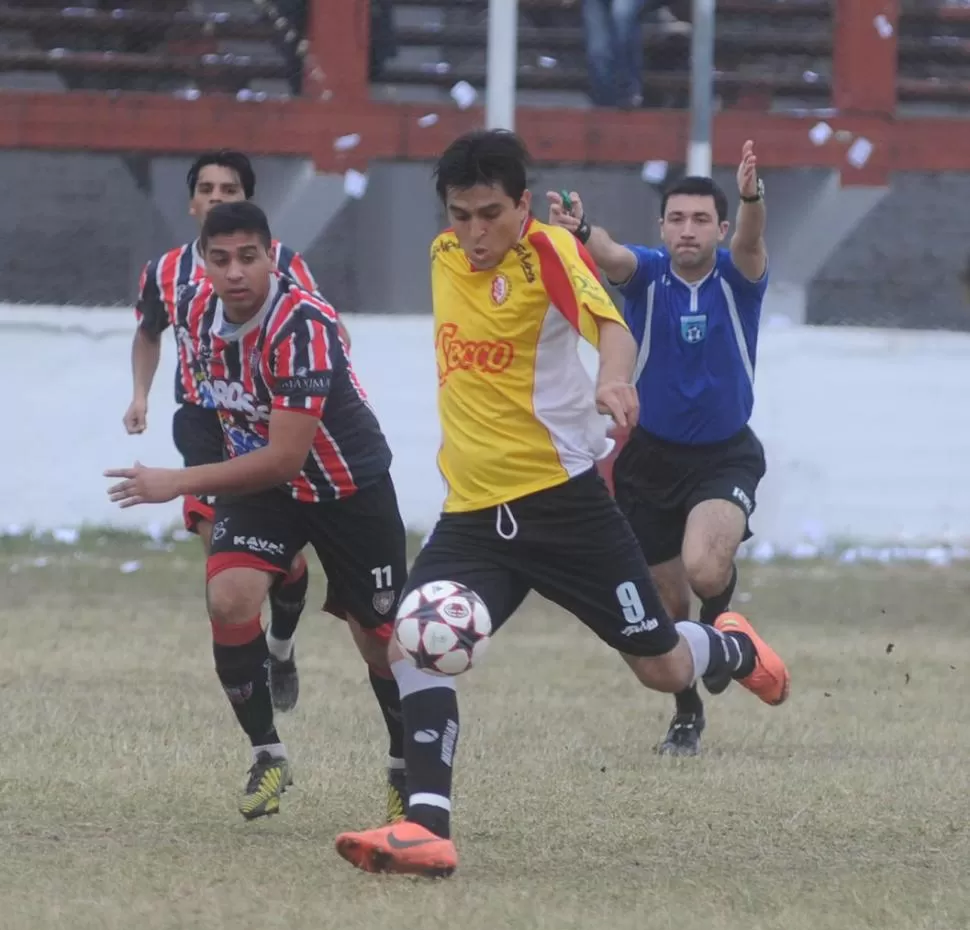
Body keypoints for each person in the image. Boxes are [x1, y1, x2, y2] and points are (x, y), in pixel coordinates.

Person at [333, 129, 790, 879]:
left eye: (491, 213)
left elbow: (608, 324)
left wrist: (616, 380)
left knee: (663, 669)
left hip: (564, 508)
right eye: (460, 214)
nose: (476, 232)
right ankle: (427, 825)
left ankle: (731, 646)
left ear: (522, 203)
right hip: (475, 513)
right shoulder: (443, 256)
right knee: (415, 637)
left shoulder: (546, 250)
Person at [106, 202, 409, 823]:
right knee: (228, 597)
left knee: (380, 645)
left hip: (348, 489)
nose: (235, 272)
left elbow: (285, 457)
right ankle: (268, 754)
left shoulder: (302, 323)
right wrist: (144, 399)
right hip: (267, 492)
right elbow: (166, 347)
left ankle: (407, 767)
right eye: (220, 259)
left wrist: (177, 481)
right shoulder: (191, 306)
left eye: (249, 257)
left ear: (272, 256)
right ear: (204, 263)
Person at [546, 141, 770, 757]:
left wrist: (751, 195)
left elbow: (752, 240)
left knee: (704, 568)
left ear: (719, 228)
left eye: (701, 220)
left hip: (726, 455)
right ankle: (687, 712)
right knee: (666, 606)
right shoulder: (646, 274)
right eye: (677, 218)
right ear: (663, 226)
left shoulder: (737, 276)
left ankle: (723, 618)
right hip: (649, 460)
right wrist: (581, 229)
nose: (688, 230)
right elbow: (610, 254)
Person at [123, 148, 348, 713]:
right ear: (192, 201)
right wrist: (141, 394)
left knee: (287, 564)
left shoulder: (285, 265)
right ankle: (251, 690)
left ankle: (282, 644)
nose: (217, 198)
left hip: (263, 421)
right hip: (202, 421)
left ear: (248, 202)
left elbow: (326, 331)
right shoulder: (165, 271)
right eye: (207, 188)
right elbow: (149, 332)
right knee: (222, 552)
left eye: (230, 189)